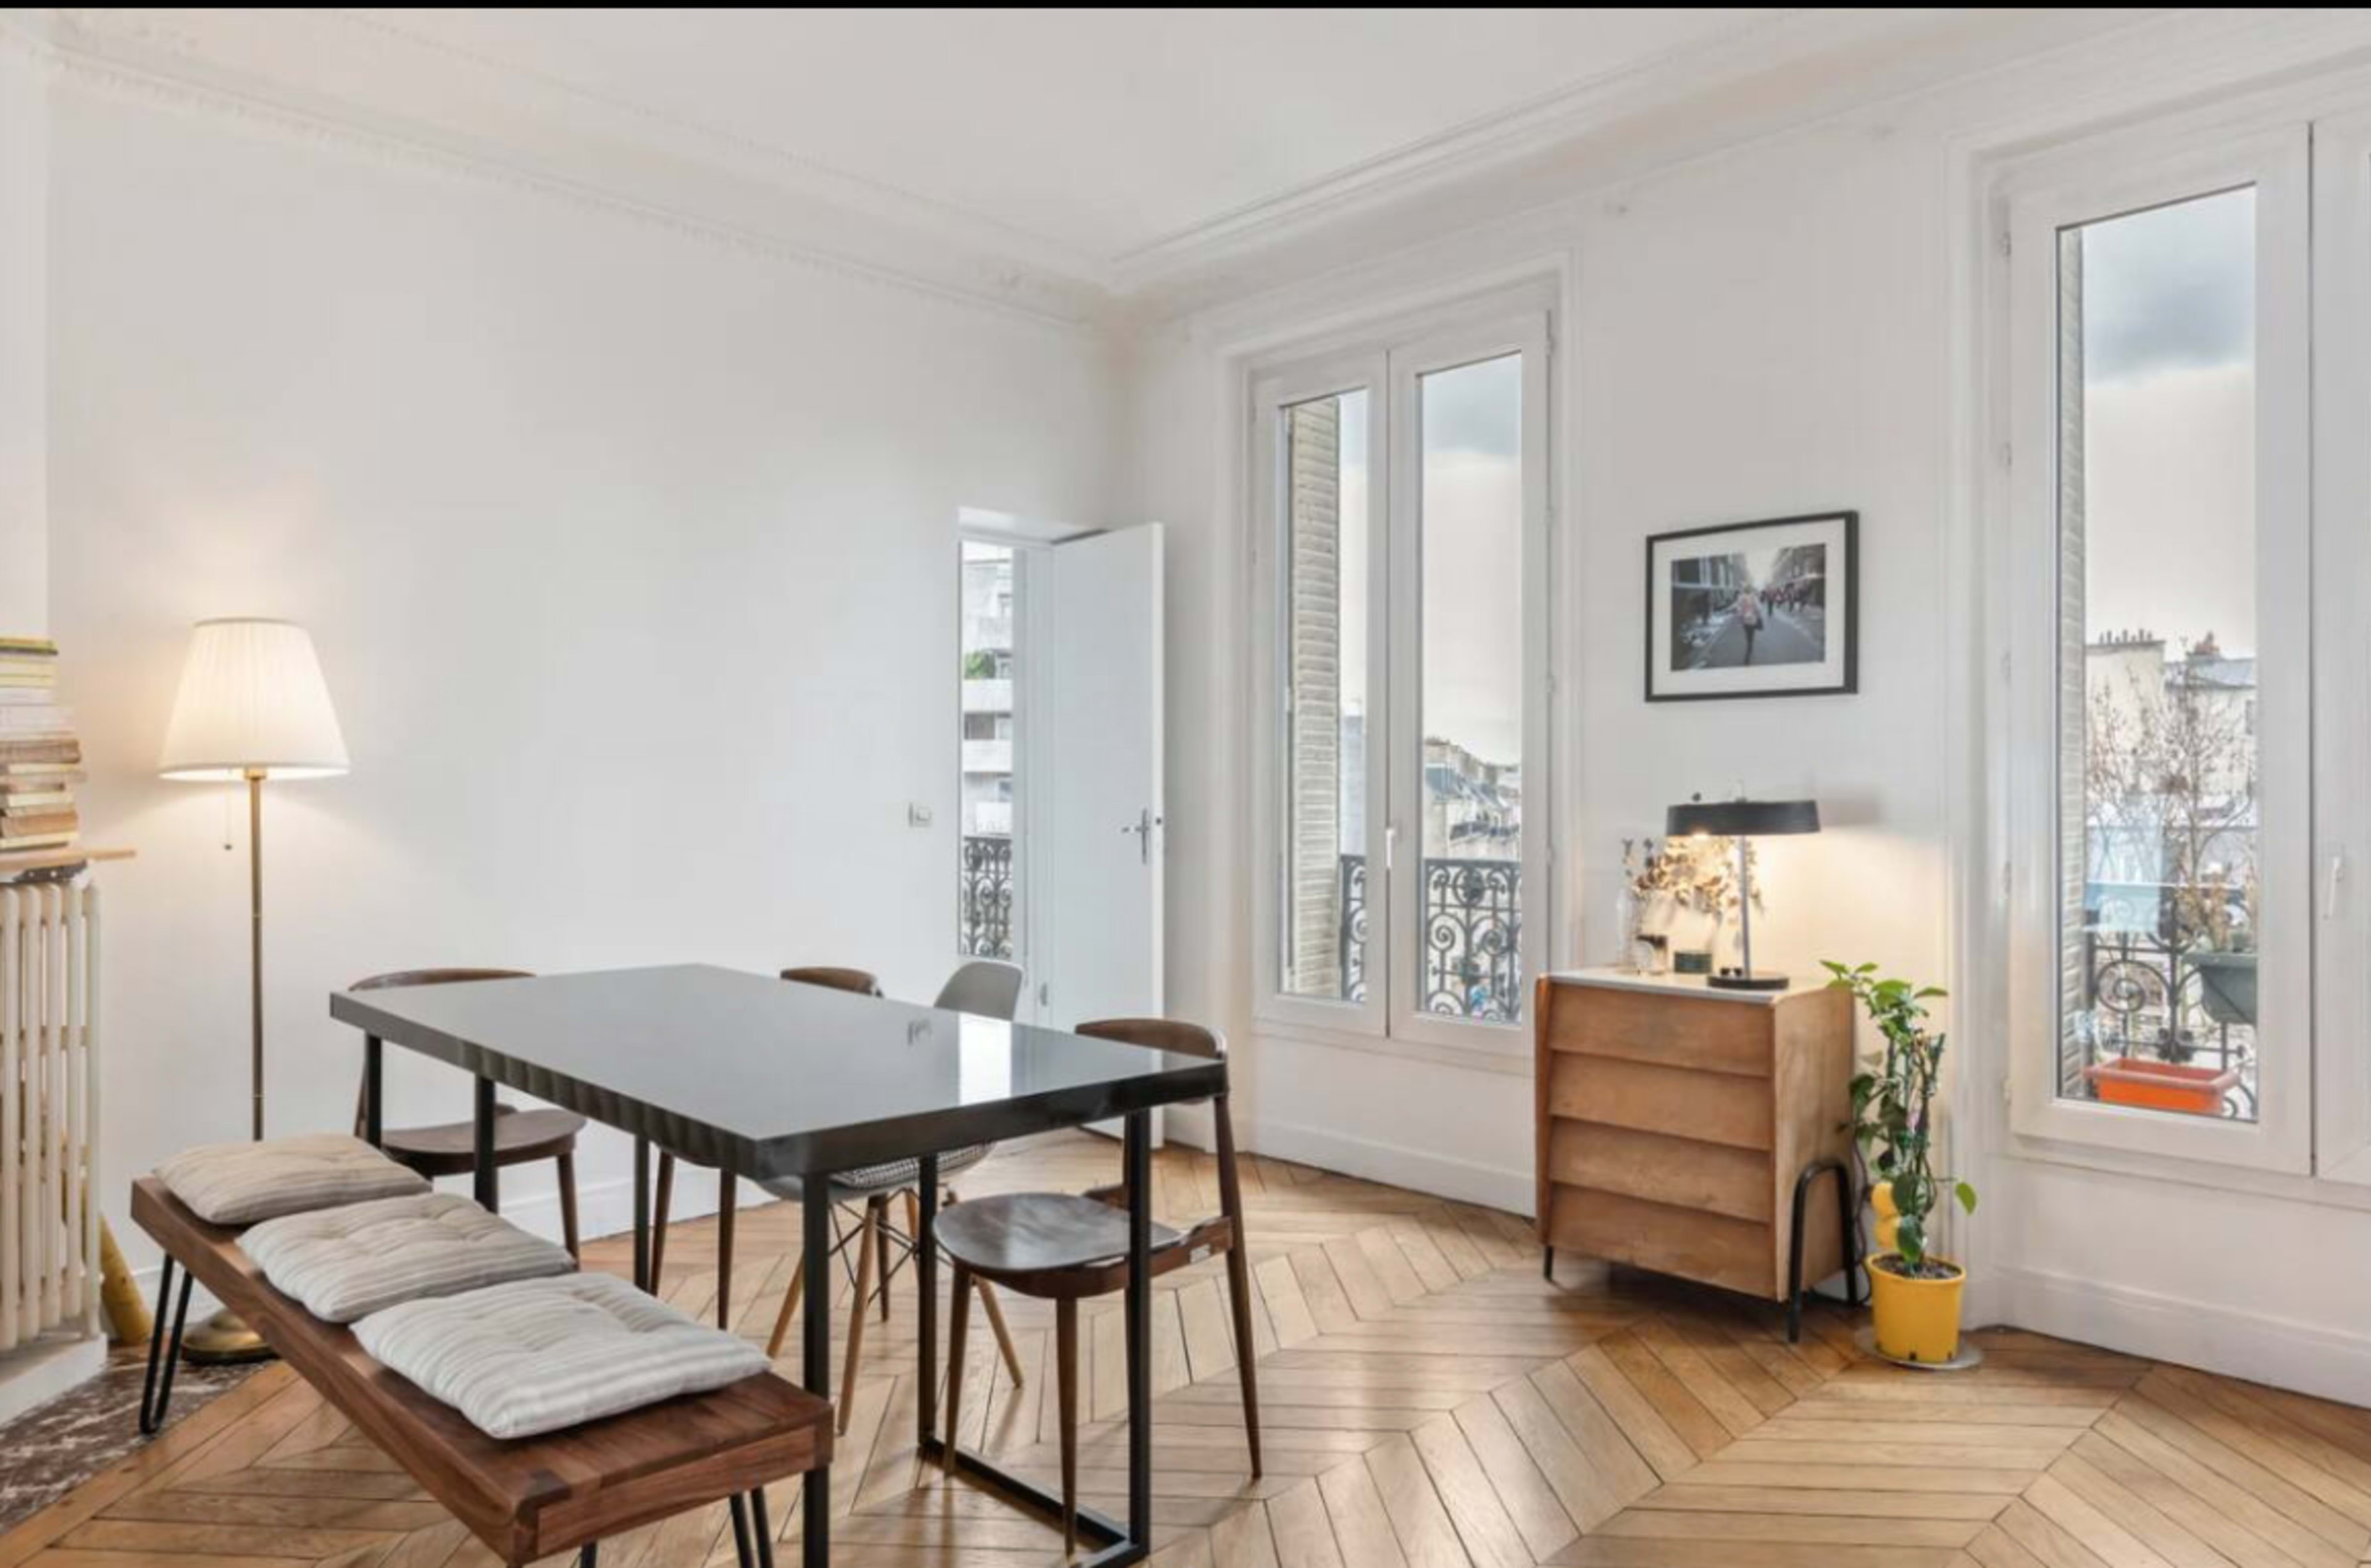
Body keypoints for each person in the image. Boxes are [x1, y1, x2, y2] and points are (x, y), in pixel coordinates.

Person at [1736, 586, 1763, 665]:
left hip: (1745, 621)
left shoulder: (1741, 598)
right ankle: (1748, 652)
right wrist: (1758, 615)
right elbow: (1759, 609)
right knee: (1751, 636)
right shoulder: (1754, 598)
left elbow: (1739, 609)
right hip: (1752, 620)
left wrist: (1741, 616)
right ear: (1751, 591)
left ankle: (1749, 644)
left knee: (1747, 634)